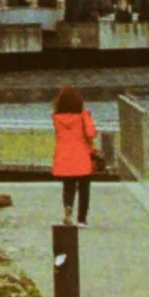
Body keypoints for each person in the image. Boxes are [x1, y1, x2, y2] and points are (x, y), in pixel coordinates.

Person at [52, 85, 99, 224]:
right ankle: (82, 219)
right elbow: (91, 134)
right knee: (84, 188)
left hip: (64, 156)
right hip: (82, 155)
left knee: (68, 186)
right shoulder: (83, 115)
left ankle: (68, 207)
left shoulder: (56, 117)